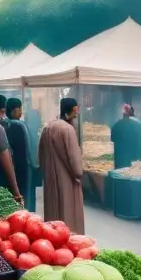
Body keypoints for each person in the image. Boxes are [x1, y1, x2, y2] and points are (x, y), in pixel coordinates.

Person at [40, 97, 85, 233]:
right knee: (68, 216)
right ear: (71, 111)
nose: (76, 115)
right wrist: (78, 173)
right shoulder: (67, 130)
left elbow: (41, 155)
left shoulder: (47, 127)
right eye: (75, 111)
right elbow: (75, 161)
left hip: (50, 179)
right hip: (68, 181)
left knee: (53, 214)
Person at [5, 97, 35, 212]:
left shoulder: (5, 123)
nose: (21, 112)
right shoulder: (19, 125)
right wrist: (33, 163)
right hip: (24, 165)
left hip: (12, 165)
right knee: (25, 193)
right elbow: (28, 148)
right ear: (12, 111)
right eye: (19, 109)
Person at [110, 104, 141, 169]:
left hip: (120, 160)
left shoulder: (117, 125)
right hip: (136, 159)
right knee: (135, 175)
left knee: (120, 176)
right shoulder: (140, 125)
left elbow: (113, 139)